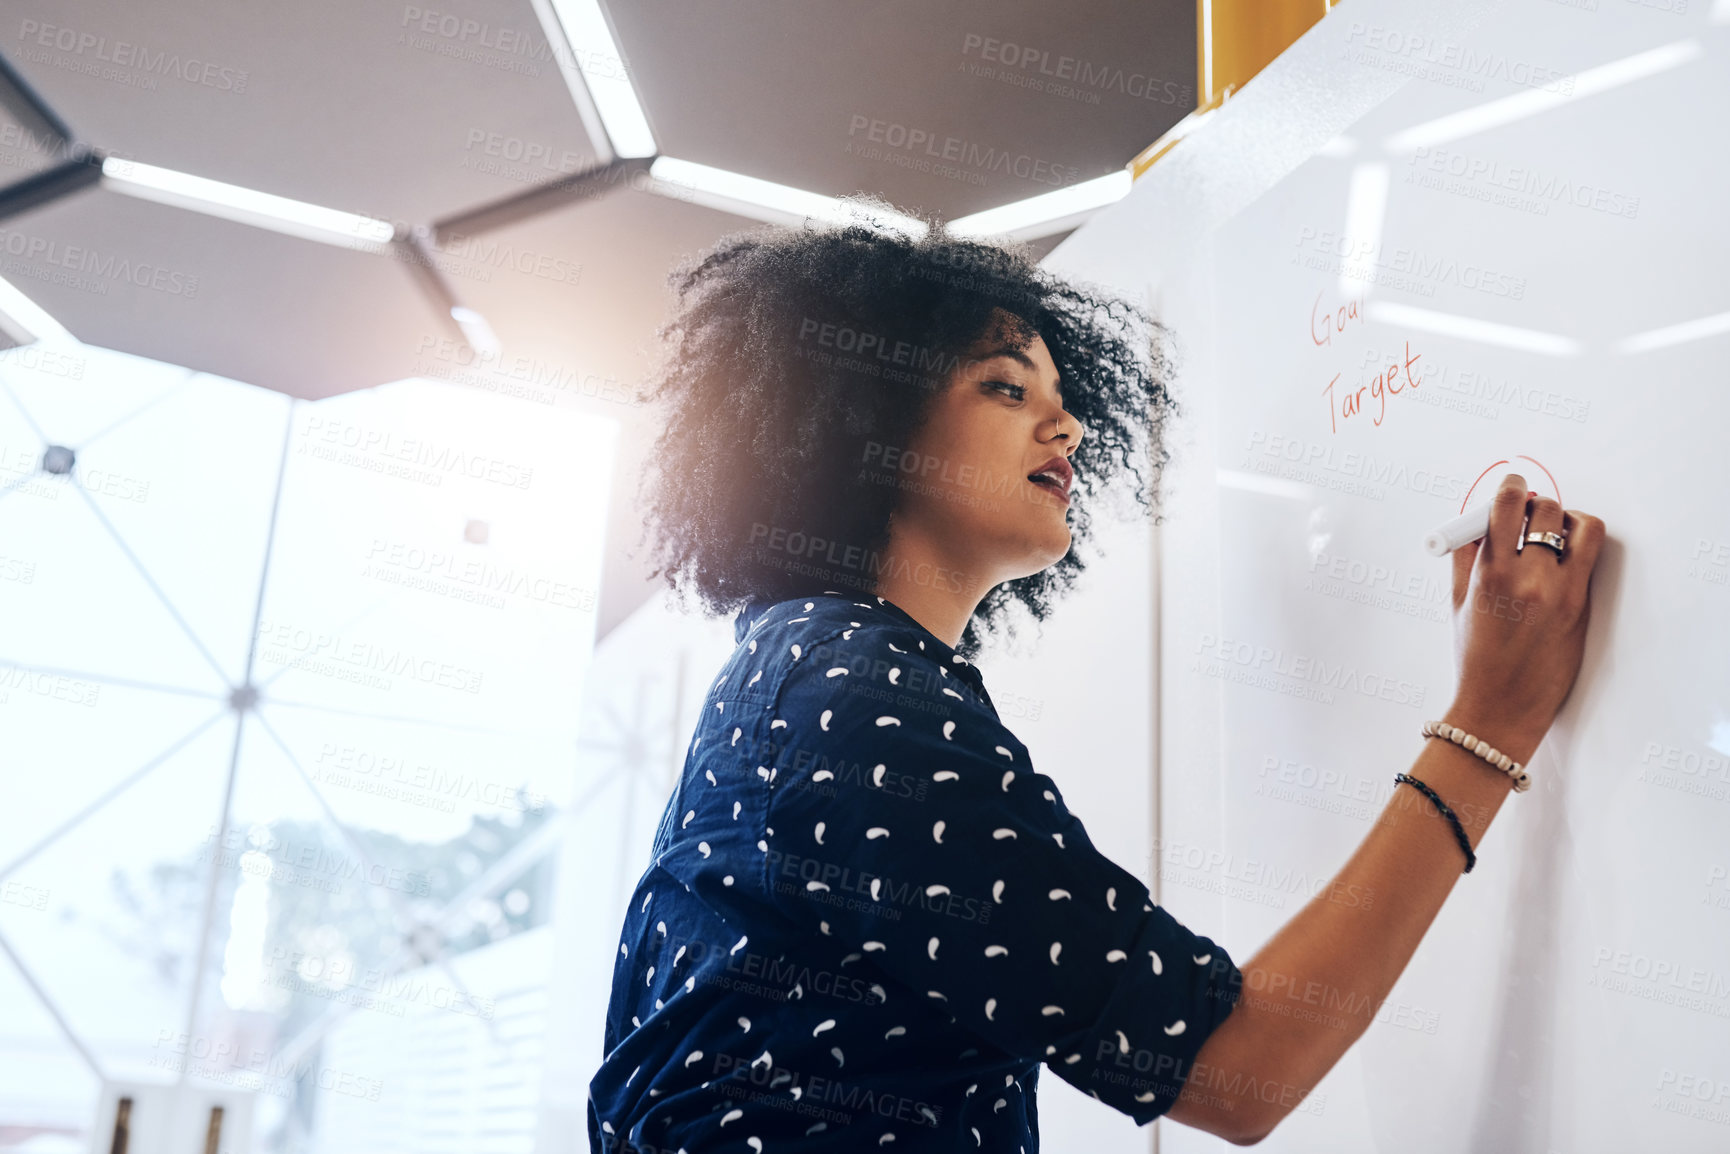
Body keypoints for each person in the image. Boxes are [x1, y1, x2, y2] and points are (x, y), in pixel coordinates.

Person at [585, 211, 1606, 1151]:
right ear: (865, 420)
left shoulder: (792, 675)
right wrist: (1489, 719)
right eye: (1004, 385)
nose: (1064, 426)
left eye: (1063, 399)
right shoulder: (857, 703)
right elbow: (1236, 1066)